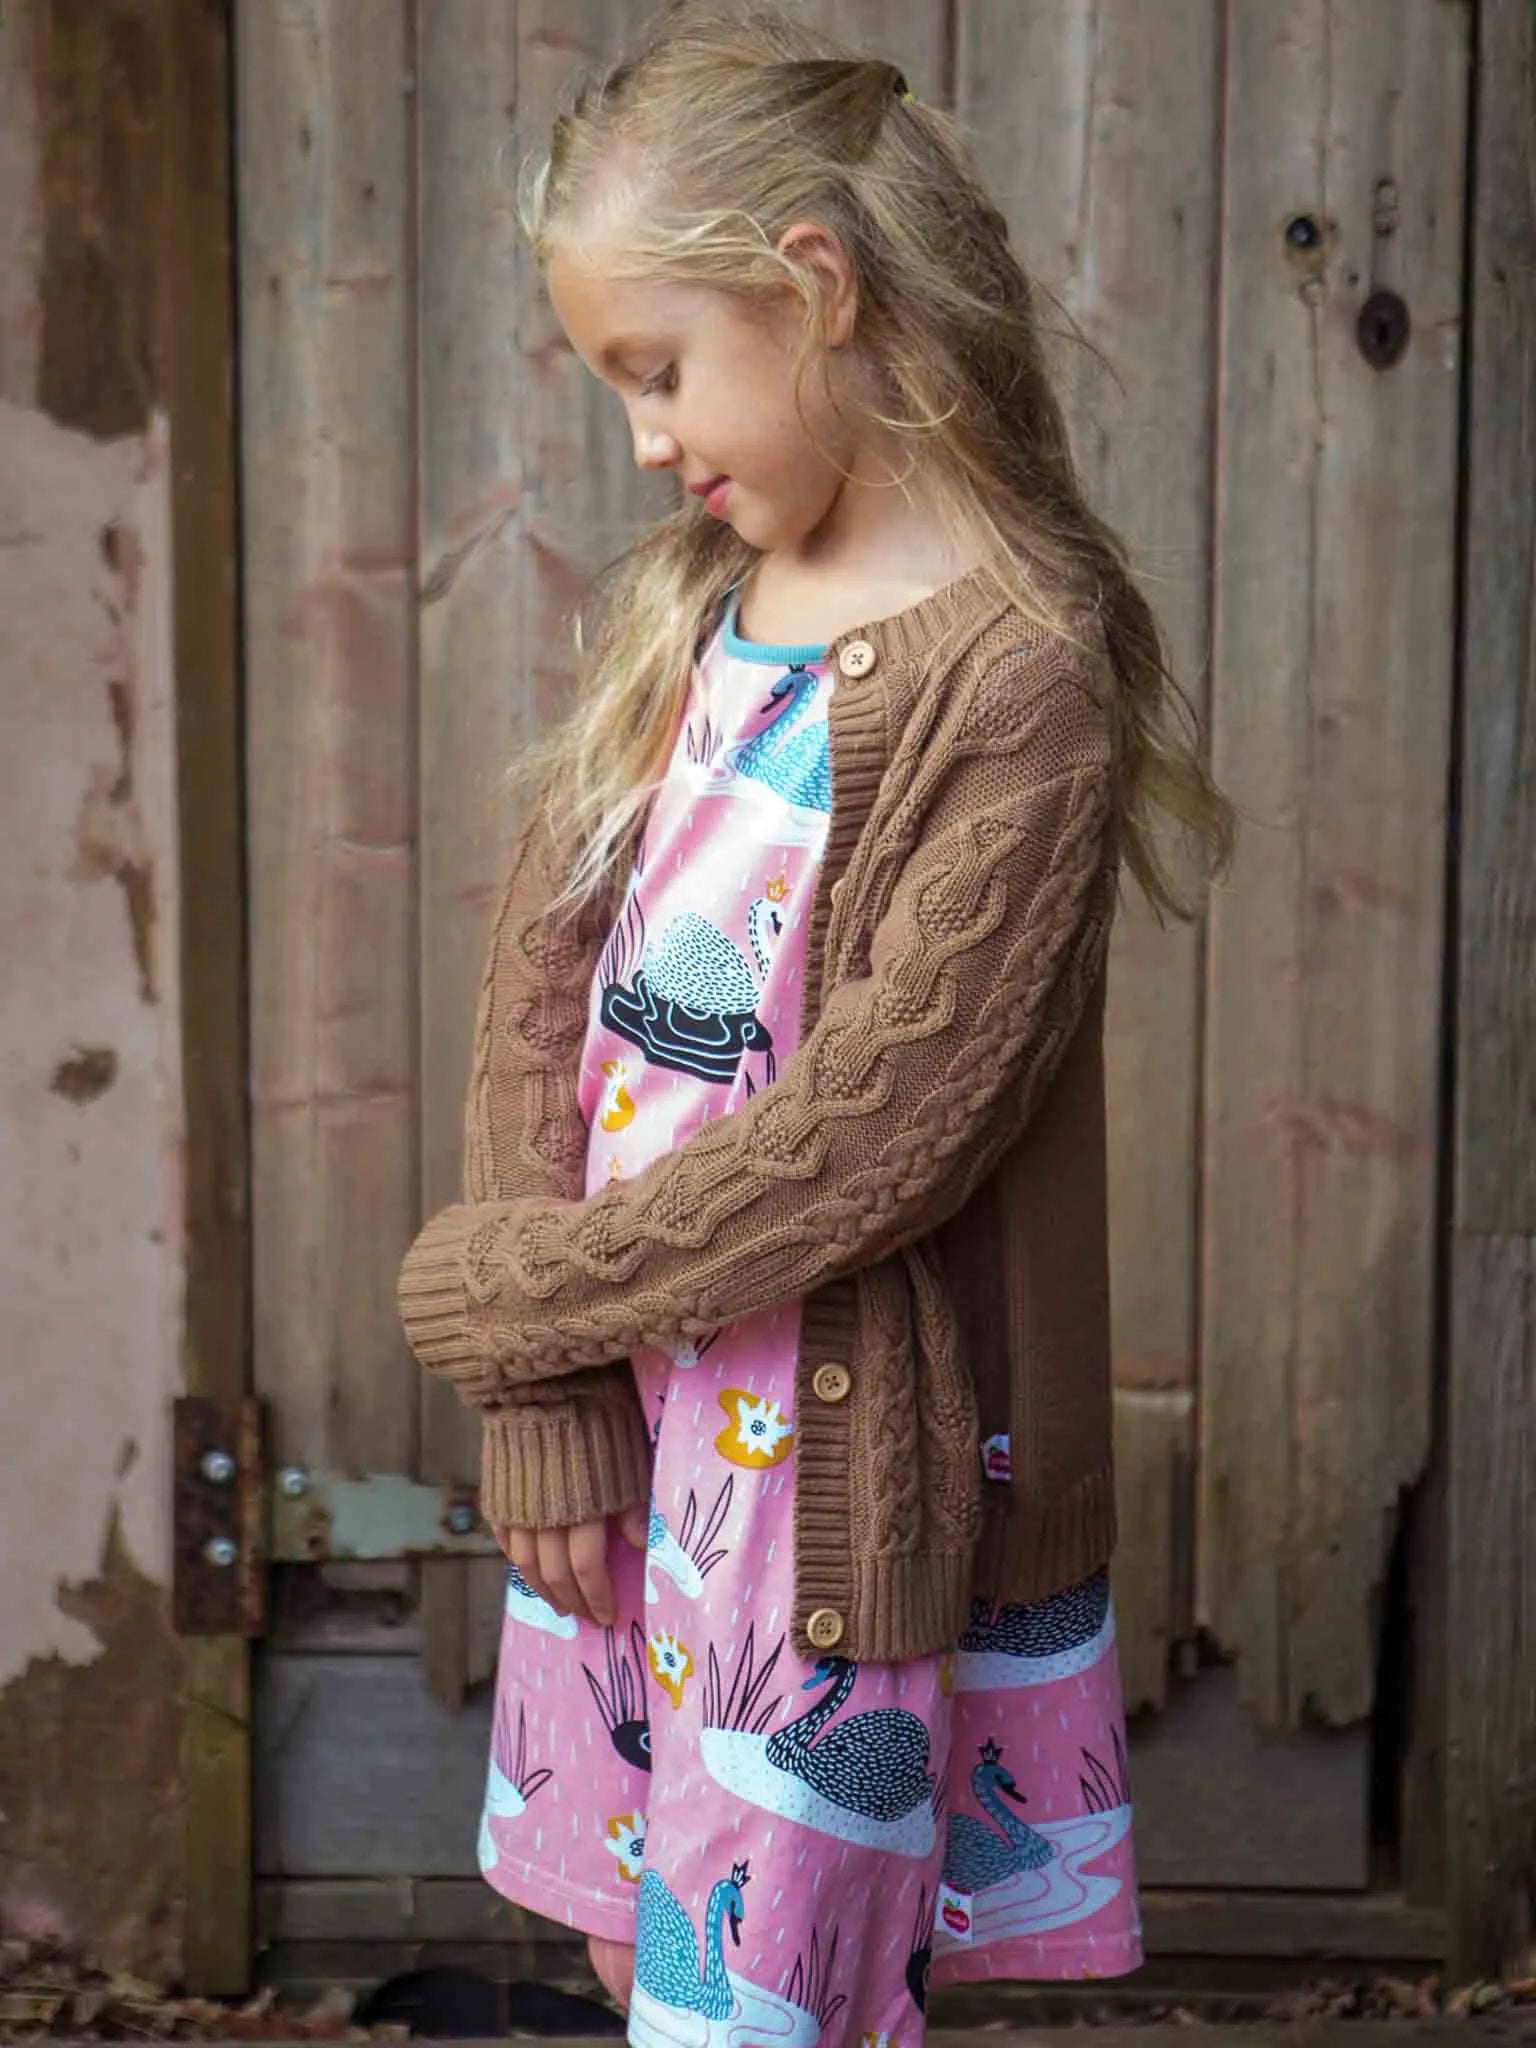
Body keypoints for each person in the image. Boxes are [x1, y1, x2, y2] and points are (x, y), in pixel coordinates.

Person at [397, 5, 1236, 2039]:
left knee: (763, 1997)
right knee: (630, 1945)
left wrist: (524, 1295)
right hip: (635, 1413)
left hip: (836, 1471)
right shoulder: (699, 596)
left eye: (659, 373)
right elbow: (544, 988)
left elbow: (884, 1129)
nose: (647, 442)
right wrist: (554, 1380)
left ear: (816, 286)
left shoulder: (1018, 664)